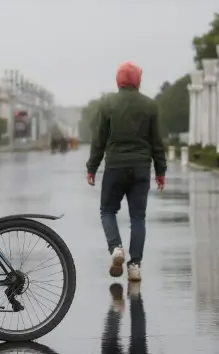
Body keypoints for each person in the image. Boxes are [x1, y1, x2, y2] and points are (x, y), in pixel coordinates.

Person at [86, 61, 166, 282]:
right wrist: (160, 171)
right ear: (137, 80)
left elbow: (99, 139)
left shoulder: (108, 104)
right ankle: (135, 267)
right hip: (141, 167)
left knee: (107, 211)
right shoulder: (150, 106)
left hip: (115, 166)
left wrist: (92, 167)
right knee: (138, 218)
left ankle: (116, 248)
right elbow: (157, 142)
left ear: (118, 80)